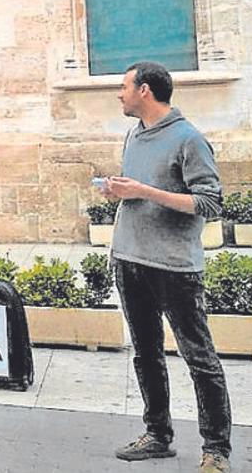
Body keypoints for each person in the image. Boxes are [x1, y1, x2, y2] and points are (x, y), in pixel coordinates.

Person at [101, 61, 231, 473]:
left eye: (123, 87)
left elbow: (209, 203)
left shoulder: (188, 139)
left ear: (144, 91)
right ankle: (157, 434)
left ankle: (216, 451)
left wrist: (144, 191)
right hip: (130, 260)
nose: (118, 94)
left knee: (200, 359)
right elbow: (141, 192)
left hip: (174, 267)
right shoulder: (134, 135)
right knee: (146, 354)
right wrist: (119, 191)